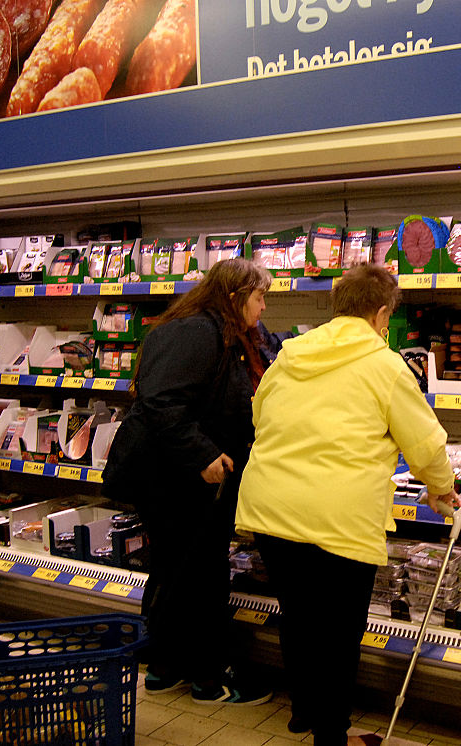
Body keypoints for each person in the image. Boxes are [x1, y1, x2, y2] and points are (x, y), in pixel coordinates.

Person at [235, 264, 457, 744]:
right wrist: (441, 488)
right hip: (337, 518)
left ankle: (304, 712)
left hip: (272, 508)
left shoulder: (289, 355)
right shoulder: (385, 364)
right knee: (338, 635)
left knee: (299, 615)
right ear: (380, 314)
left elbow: (259, 414)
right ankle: (331, 736)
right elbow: (424, 443)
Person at [102, 257, 275, 705]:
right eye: (260, 297)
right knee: (199, 572)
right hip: (173, 476)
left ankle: (164, 666)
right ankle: (207, 677)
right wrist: (202, 454)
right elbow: (161, 401)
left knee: (177, 567)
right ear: (236, 296)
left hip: (182, 473)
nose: (263, 308)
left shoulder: (225, 332)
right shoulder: (197, 331)